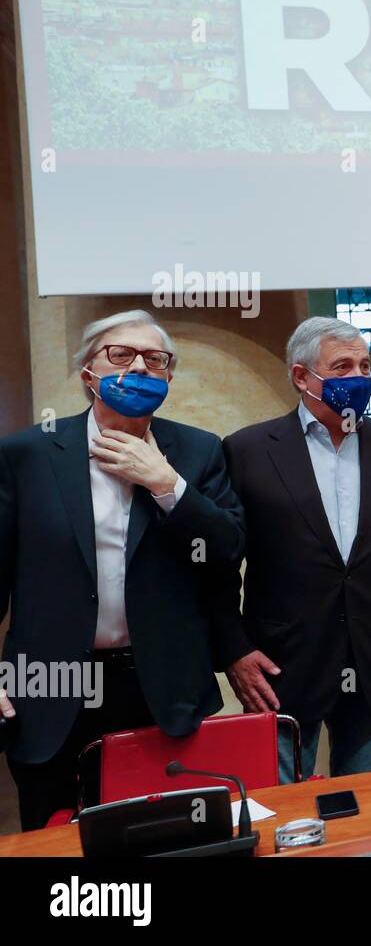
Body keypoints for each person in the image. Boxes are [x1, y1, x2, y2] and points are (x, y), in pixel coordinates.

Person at [0, 310, 244, 830]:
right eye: (120, 354)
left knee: (167, 836)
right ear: (88, 372)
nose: (139, 366)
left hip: (159, 688)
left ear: (169, 378)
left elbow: (225, 550)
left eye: (155, 359)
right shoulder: (26, 454)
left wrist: (167, 485)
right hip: (51, 687)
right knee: (57, 841)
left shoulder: (197, 451)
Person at [218, 318, 371, 782]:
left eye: (365, 366)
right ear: (302, 378)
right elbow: (219, 565)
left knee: (367, 807)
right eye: (342, 367)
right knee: (284, 812)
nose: (358, 378)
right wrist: (234, 650)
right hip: (281, 667)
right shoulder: (248, 450)